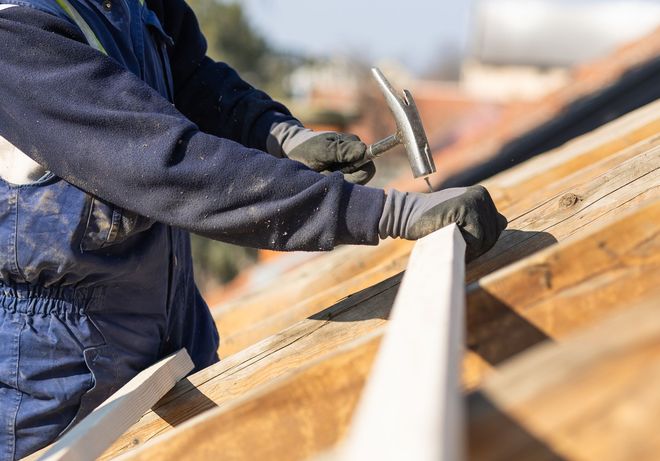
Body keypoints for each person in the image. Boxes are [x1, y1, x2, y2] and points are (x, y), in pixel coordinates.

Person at [0, 0, 507, 458]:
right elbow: (171, 167)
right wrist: (384, 213)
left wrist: (278, 134)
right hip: (51, 372)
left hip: (172, 324)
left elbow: (192, 79)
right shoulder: (15, 28)